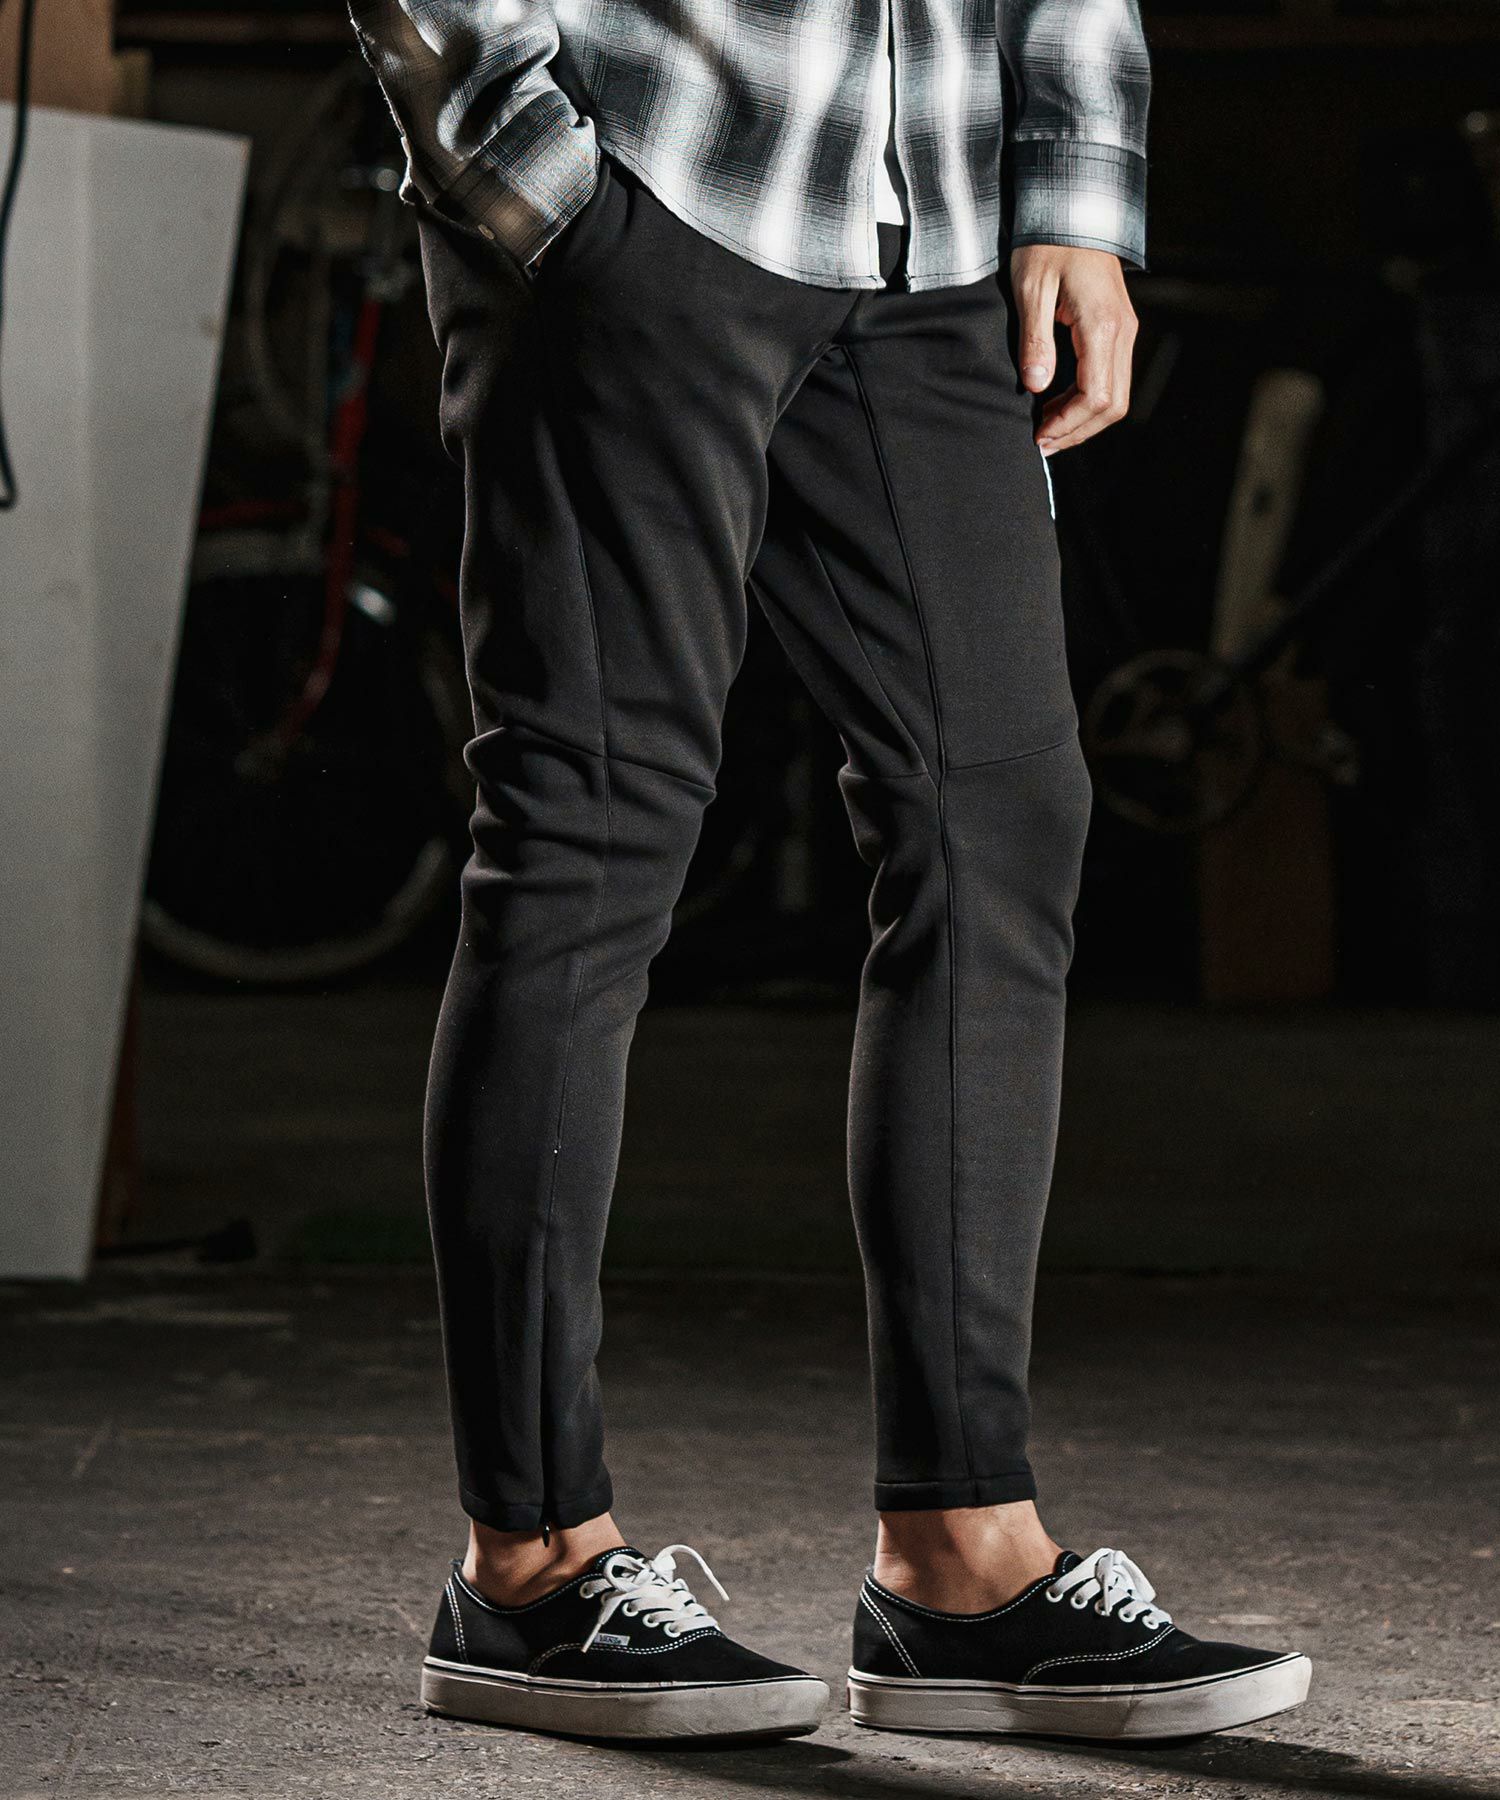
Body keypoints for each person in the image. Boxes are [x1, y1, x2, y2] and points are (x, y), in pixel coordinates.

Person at [347, 0, 1312, 1744]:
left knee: (998, 822)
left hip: (925, 225)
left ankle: (963, 1561)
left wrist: (1076, 190)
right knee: (588, 835)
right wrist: (532, 177)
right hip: (644, 184)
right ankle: (531, 1568)